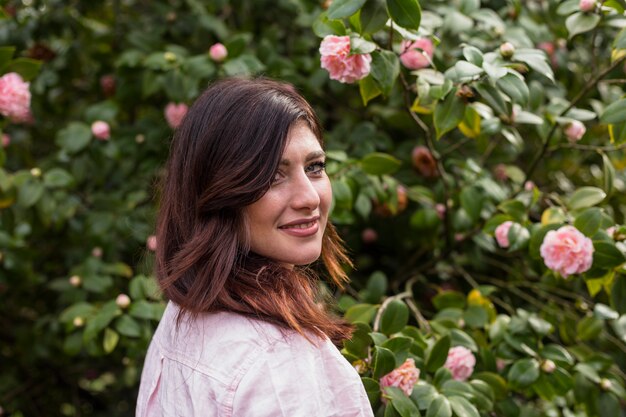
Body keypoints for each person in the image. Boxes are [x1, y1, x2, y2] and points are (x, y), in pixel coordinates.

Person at [136, 78, 374, 416]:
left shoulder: (184, 316)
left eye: (315, 167)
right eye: (273, 176)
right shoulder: (278, 360)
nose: (309, 197)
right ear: (219, 194)